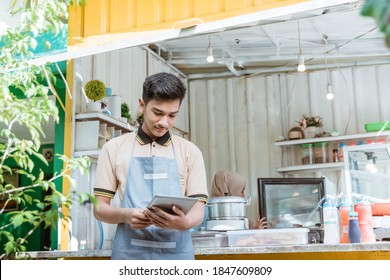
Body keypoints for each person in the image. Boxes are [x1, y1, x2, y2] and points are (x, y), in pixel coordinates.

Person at [93, 72, 208, 260]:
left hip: (177, 255)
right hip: (129, 256)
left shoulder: (190, 152)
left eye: (172, 115)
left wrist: (184, 222)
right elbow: (99, 208)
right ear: (142, 105)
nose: (164, 122)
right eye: (158, 113)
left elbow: (198, 210)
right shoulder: (113, 148)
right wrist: (125, 215)